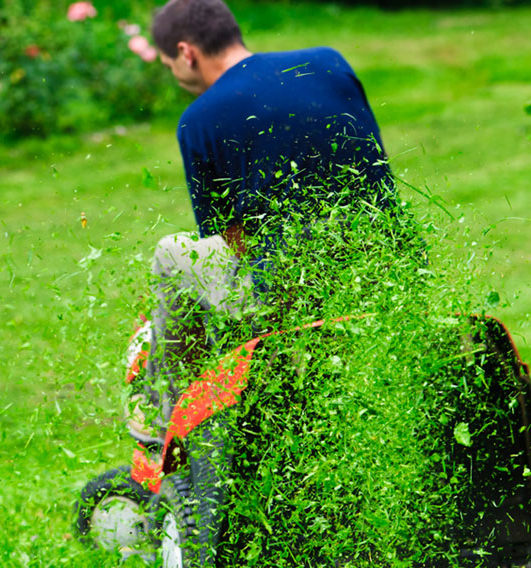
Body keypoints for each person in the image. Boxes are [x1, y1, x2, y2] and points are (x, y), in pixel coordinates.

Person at [131, 0, 400, 429]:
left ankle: (163, 421)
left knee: (174, 253)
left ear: (186, 53)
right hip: (388, 271)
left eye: (168, 65)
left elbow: (232, 243)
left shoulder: (198, 119)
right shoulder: (328, 63)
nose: (174, 74)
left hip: (295, 300)